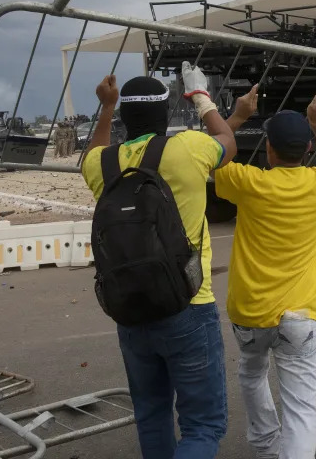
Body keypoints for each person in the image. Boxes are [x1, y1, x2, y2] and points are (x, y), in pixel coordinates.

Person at [80, 63, 238, 459]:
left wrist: (105, 107)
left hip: (130, 308)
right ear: (165, 114)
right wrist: (200, 95)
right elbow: (227, 139)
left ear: (124, 116)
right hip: (188, 302)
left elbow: (93, 149)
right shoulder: (186, 149)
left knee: (151, 415)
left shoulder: (102, 164)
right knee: (203, 426)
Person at [215, 85, 316, 459]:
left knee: (252, 376)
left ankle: (266, 446)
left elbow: (212, 155)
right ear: (307, 151)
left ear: (268, 149)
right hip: (301, 316)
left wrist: (237, 117)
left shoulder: (250, 184)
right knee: (302, 407)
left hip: (251, 312)